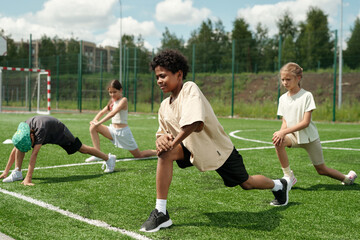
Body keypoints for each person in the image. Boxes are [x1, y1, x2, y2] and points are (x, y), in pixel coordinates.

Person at [139, 49, 291, 233]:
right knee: (164, 153)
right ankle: (161, 213)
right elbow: (161, 133)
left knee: (247, 183)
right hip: (190, 148)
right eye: (157, 77)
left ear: (179, 74)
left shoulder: (189, 88)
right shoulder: (164, 106)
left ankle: (278, 185)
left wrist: (171, 142)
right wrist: (162, 140)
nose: (159, 81)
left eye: (163, 76)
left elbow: (195, 123)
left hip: (218, 150)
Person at [272, 62, 357, 187]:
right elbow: (285, 121)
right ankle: (288, 176)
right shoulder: (282, 99)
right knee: (277, 141)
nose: (285, 82)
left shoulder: (307, 96)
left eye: (288, 79)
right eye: (283, 79)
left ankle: (348, 178)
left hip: (309, 138)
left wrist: (283, 132)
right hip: (293, 137)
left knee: (321, 170)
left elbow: (305, 123)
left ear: (299, 78)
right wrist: (281, 133)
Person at [0, 116, 116, 186]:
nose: (30, 145)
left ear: (31, 135)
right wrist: (6, 172)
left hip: (59, 132)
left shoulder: (40, 130)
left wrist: (28, 178)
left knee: (82, 149)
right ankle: (17, 173)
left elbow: (34, 154)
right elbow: (16, 149)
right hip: (46, 131)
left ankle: (108, 158)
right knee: (19, 148)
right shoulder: (24, 129)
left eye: (30, 142)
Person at [84, 79, 156, 162]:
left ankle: (158, 152)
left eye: (114, 92)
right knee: (93, 127)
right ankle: (97, 154)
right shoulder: (112, 101)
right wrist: (95, 120)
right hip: (112, 130)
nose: (112, 94)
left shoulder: (124, 100)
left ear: (120, 90)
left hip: (123, 133)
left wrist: (99, 123)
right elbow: (103, 111)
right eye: (110, 92)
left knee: (139, 155)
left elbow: (112, 113)